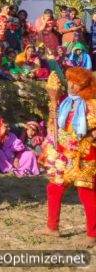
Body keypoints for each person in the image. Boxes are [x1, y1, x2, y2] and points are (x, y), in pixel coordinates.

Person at [42, 67, 96, 244]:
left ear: (84, 85)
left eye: (76, 83)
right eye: (70, 81)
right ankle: (52, 227)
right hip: (64, 152)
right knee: (54, 188)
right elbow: (54, 124)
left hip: (84, 153)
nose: (71, 86)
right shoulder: (64, 102)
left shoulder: (92, 104)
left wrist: (89, 134)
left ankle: (92, 234)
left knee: (86, 192)